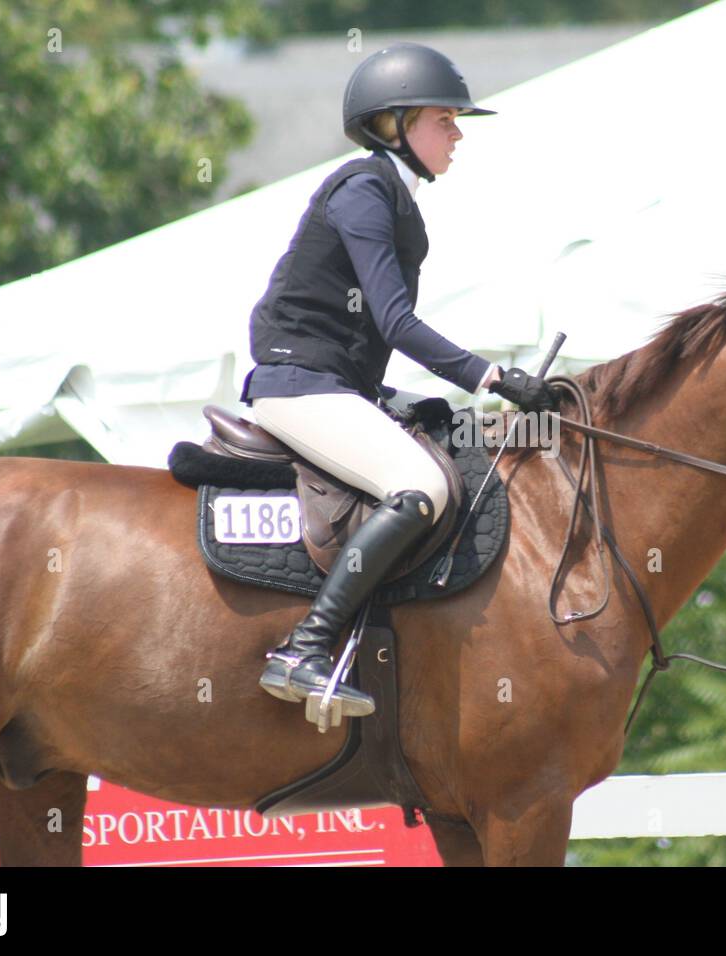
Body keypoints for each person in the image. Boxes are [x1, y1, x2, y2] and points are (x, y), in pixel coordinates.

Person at [238, 42, 556, 719]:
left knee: (447, 433)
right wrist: (494, 376)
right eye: (445, 119)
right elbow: (396, 322)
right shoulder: (363, 190)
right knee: (423, 487)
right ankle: (307, 648)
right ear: (395, 125)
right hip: (299, 384)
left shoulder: (395, 198)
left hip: (338, 384)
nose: (458, 133)